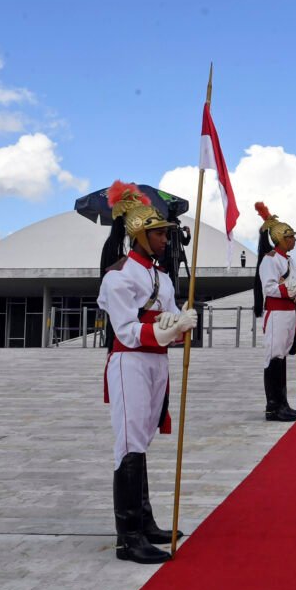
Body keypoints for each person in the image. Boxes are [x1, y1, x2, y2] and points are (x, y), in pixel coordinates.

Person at [98, 181, 197, 564]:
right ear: (139, 234)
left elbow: (167, 315)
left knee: (144, 439)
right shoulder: (119, 275)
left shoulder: (162, 275)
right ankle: (129, 536)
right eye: (158, 233)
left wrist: (180, 324)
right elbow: (125, 330)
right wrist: (168, 329)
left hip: (156, 361)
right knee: (129, 445)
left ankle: (145, 519)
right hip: (131, 361)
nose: (164, 240)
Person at [253, 202, 296, 422]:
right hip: (276, 313)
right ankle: (273, 406)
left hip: (289, 311)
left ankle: (283, 402)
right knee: (274, 357)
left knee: (282, 357)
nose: (294, 239)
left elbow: (291, 284)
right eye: (291, 236)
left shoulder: (289, 260)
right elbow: (269, 288)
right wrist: (291, 288)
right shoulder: (270, 260)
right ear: (281, 239)